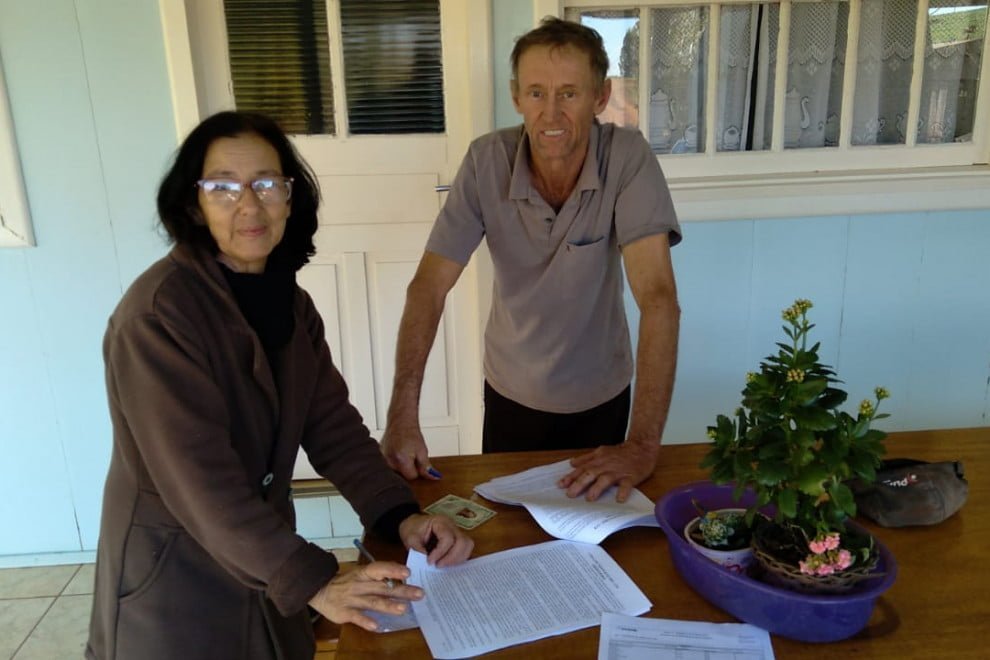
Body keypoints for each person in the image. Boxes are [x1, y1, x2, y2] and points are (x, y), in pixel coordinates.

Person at [86, 111, 473, 660]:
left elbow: (332, 427)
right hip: (176, 578)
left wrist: (399, 514)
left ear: (291, 199)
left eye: (268, 184)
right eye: (223, 187)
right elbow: (201, 484)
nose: (250, 204)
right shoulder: (157, 318)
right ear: (195, 204)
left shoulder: (290, 304)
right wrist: (314, 581)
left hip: (261, 557)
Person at [381, 17, 681, 503]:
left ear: (601, 97)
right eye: (537, 93)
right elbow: (429, 287)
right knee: (510, 530)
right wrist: (402, 417)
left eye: (569, 93)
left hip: (600, 396)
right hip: (511, 394)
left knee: (594, 536)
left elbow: (659, 298)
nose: (551, 113)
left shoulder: (627, 158)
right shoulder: (485, 161)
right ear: (516, 96)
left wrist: (643, 445)